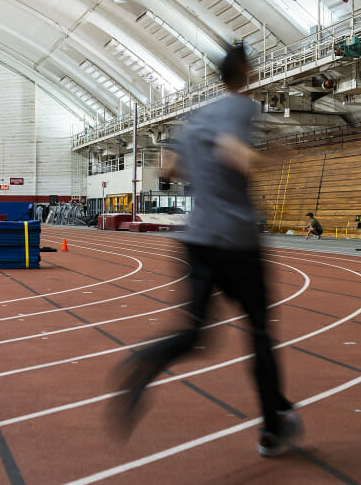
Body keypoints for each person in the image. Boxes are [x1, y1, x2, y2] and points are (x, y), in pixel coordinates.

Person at [110, 44, 301, 457]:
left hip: (195, 240)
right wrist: (273, 158)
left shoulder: (195, 116)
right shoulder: (240, 108)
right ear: (246, 70)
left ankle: (146, 358)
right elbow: (238, 157)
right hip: (236, 240)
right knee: (260, 333)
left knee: (194, 333)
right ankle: (272, 428)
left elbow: (169, 170)